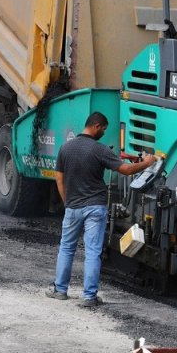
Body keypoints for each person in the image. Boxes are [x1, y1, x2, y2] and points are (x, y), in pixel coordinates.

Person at [47, 112, 157, 307]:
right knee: (92, 252)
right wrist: (147, 163)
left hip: (73, 207)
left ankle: (60, 290)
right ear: (96, 126)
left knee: (66, 248)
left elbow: (59, 178)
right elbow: (125, 170)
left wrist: (67, 203)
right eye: (104, 129)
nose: (104, 133)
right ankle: (89, 297)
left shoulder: (66, 147)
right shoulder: (99, 149)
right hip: (94, 208)